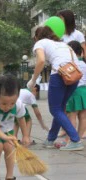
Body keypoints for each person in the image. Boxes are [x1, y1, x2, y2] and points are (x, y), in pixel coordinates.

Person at [27, 26, 84, 151]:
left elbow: (41, 61)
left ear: (37, 36)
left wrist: (33, 80)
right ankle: (50, 139)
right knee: (60, 109)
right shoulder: (63, 44)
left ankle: (75, 140)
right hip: (74, 76)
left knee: (55, 110)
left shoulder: (40, 43)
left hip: (59, 76)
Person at [56, 9, 86, 137]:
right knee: (67, 107)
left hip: (73, 71)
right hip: (64, 70)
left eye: (61, 19)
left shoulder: (78, 34)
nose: (59, 21)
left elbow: (84, 50)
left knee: (75, 111)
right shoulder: (58, 34)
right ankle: (66, 129)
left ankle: (76, 134)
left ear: (67, 20)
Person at [66, 41, 86, 139]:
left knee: (72, 116)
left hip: (75, 91)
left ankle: (73, 140)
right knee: (83, 117)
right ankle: (78, 138)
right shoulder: (84, 64)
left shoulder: (71, 64)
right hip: (84, 91)